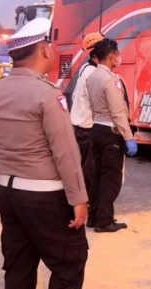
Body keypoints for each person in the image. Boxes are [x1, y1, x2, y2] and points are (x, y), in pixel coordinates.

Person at [0, 18, 89, 289]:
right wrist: (78, 198)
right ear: (43, 50)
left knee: (19, 264)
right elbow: (65, 152)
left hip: (6, 191)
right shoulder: (47, 95)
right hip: (44, 195)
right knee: (69, 262)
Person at [86, 38, 137, 233]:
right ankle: (104, 221)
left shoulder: (92, 77)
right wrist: (128, 137)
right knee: (111, 179)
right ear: (111, 55)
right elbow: (117, 112)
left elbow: (92, 106)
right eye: (117, 54)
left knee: (98, 175)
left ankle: (93, 217)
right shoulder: (111, 80)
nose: (119, 58)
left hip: (97, 128)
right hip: (111, 132)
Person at [69, 32, 104, 214]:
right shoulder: (93, 73)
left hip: (79, 126)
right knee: (88, 169)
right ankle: (84, 203)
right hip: (87, 128)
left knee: (82, 167)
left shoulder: (85, 69)